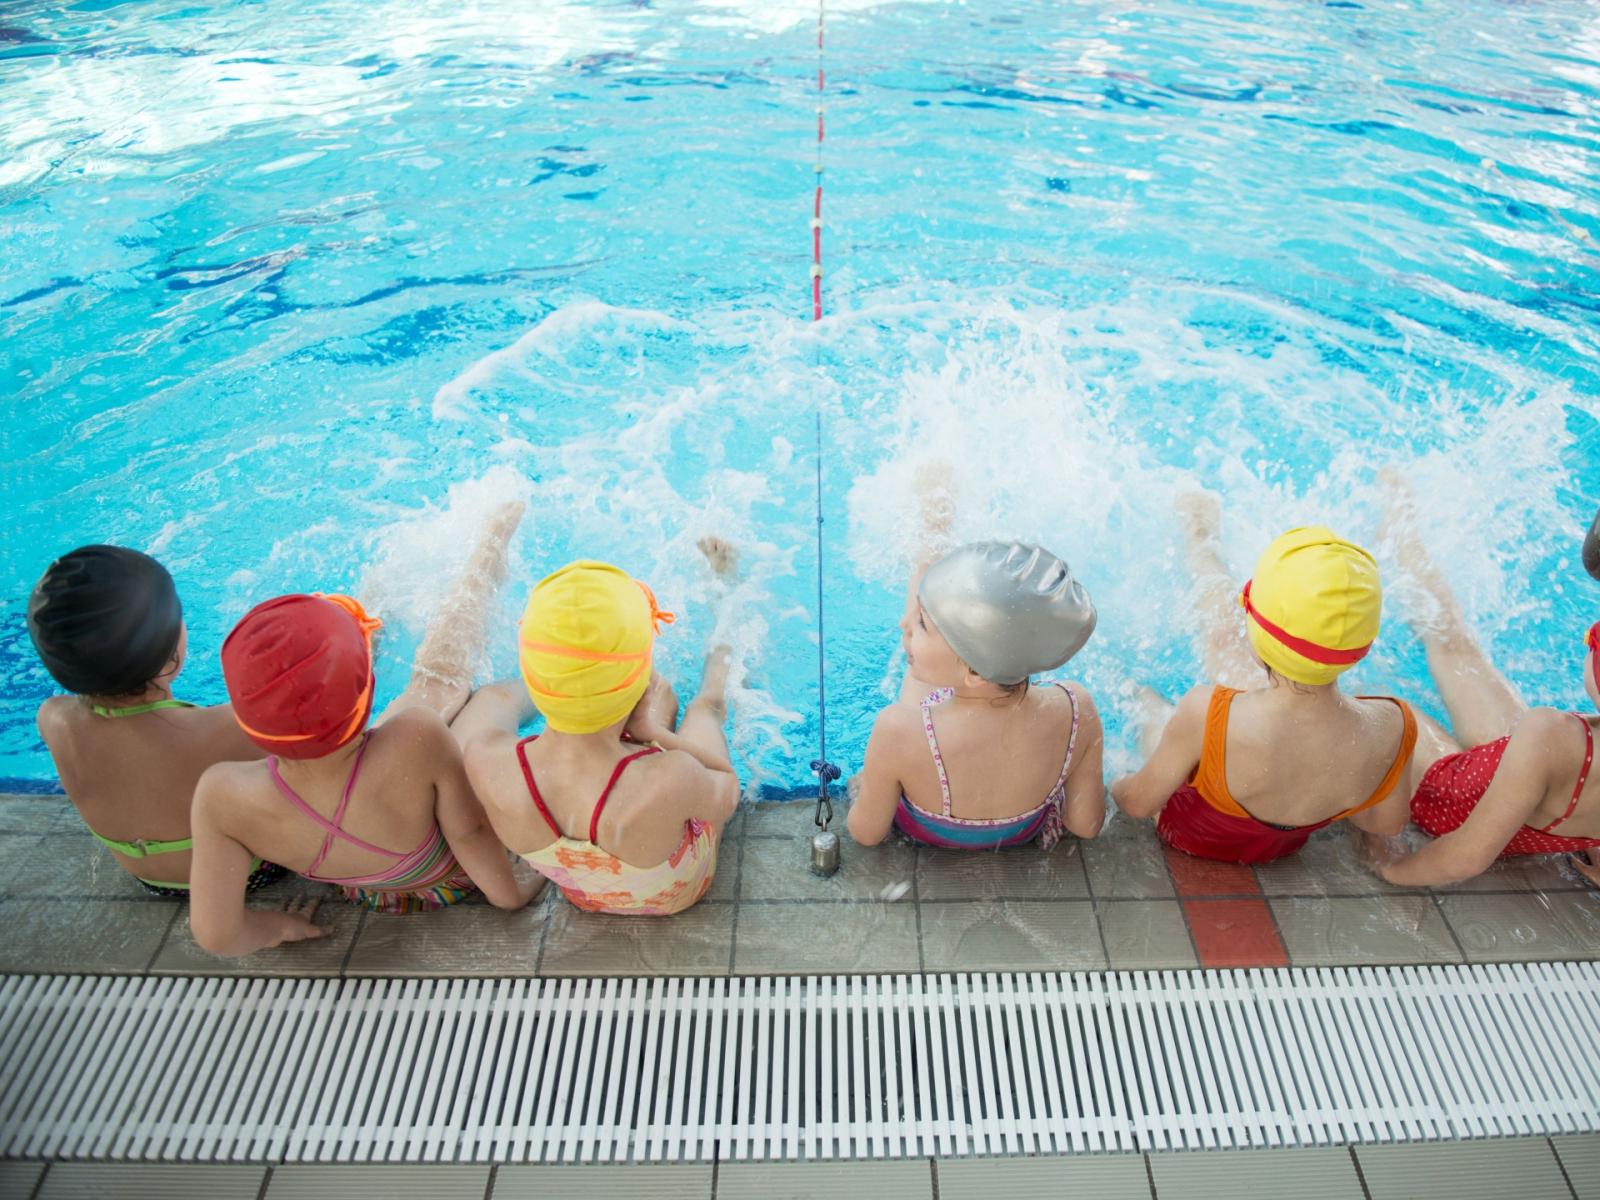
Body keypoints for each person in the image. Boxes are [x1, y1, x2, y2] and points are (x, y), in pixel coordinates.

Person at [188, 502, 540, 956]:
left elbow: (218, 936)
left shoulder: (221, 795)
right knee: (448, 684)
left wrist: (282, 928)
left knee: (391, 682)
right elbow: (470, 834)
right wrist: (508, 896)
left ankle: (365, 606)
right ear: (368, 697)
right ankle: (489, 544)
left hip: (364, 888)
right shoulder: (415, 737)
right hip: (442, 881)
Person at [1112, 493, 1418, 864]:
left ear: (1258, 632)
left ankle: (1198, 535)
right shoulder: (1393, 723)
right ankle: (1200, 537)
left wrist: (1115, 782)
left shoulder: (1206, 711)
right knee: (1227, 648)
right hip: (1283, 848)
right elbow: (1385, 823)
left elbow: (1139, 803)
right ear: (1363, 644)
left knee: (1147, 700)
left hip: (1190, 837)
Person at [465, 540, 740, 916]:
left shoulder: (487, 760)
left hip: (584, 894)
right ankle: (726, 596)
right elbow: (727, 790)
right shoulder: (673, 776)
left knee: (659, 708)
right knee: (703, 710)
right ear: (637, 677)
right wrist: (657, 734)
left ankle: (601, 700)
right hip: (676, 894)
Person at [846, 466, 1105, 850]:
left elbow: (866, 834)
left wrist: (863, 786)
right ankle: (933, 535)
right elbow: (1085, 824)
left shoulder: (899, 729)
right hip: (1021, 833)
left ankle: (933, 523)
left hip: (930, 830)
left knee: (918, 681)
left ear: (973, 672)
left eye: (920, 624)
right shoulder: (1075, 707)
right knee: (930, 645)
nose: (903, 625)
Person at [1364, 478, 1600, 887]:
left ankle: (1393, 508)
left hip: (1452, 799)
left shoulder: (1549, 735)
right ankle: (1402, 531)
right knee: (1458, 647)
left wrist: (1394, 870)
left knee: (1377, 708)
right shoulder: (1556, 742)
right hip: (1533, 774)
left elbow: (1466, 857)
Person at [27, 545, 278, 896]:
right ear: (171, 647)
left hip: (150, 880)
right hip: (243, 875)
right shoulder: (226, 729)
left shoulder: (53, 719)